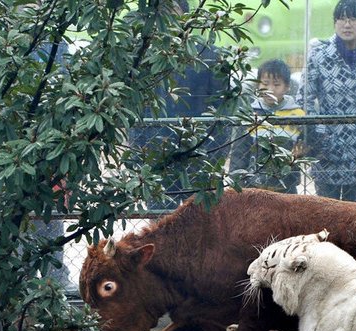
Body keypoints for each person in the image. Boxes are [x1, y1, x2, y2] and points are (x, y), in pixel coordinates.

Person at [129, 0, 231, 210]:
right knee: (161, 222)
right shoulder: (143, 58)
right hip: (157, 155)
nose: (166, 19)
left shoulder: (209, 55)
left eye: (171, 11)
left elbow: (222, 107)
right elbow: (135, 108)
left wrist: (216, 153)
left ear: (186, 16)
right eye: (161, 12)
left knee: (199, 219)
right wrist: (139, 151)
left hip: (199, 155)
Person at [297, 0, 356, 203]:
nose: (347, 24)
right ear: (335, 22)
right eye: (341, 19)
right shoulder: (319, 54)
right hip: (328, 151)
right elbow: (305, 98)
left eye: (353, 18)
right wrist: (316, 136)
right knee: (328, 213)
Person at [229, 59, 306, 193]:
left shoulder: (297, 114)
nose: (270, 89)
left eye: (277, 85)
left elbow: (307, 146)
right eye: (265, 84)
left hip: (287, 186)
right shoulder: (250, 114)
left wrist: (301, 154)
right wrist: (236, 182)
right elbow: (239, 152)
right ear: (258, 85)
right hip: (254, 186)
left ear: (287, 87)